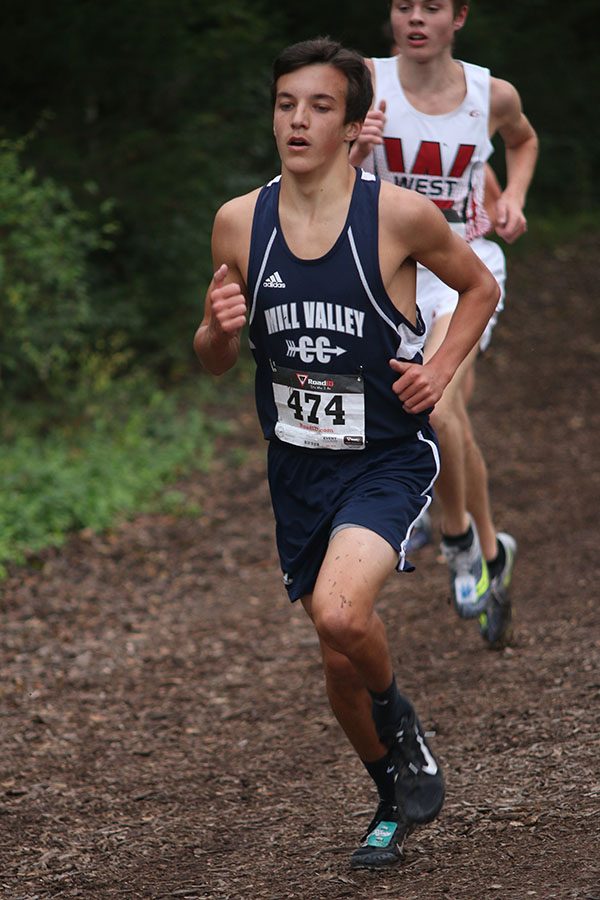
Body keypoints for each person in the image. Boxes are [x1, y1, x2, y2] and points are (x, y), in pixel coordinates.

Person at [195, 37, 499, 870]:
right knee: (336, 653)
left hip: (385, 460)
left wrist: (438, 370)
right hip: (295, 467)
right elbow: (216, 355)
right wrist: (215, 332)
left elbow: (480, 287)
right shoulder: (237, 221)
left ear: (352, 120)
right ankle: (391, 793)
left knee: (340, 613)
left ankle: (404, 727)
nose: (298, 120)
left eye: (320, 106)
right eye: (287, 104)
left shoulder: (397, 216)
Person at [350, 0, 538, 648]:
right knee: (448, 423)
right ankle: (492, 551)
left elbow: (524, 138)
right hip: (387, 268)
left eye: (432, 6)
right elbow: (324, 172)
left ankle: (456, 542)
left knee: (438, 406)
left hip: (463, 268)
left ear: (459, 17)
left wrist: (510, 197)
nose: (416, 18)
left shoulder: (491, 93)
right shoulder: (364, 82)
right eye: (404, 5)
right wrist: (356, 150)